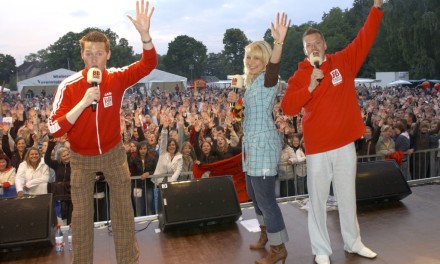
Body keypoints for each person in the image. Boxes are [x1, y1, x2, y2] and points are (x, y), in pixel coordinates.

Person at [47, 1, 157, 263]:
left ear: (108, 55)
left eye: (98, 53)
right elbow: (54, 128)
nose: (93, 58)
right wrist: (83, 102)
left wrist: (145, 35)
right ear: (82, 56)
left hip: (113, 153)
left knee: (122, 212)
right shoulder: (69, 86)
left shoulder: (116, 77)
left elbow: (147, 64)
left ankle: (128, 260)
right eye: (88, 53)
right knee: (82, 216)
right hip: (81, 159)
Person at [280, 1, 383, 263]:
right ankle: (322, 251)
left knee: (347, 197)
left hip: (345, 145)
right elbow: (288, 106)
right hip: (317, 149)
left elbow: (365, 37)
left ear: (324, 45)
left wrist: (376, 8)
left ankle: (353, 242)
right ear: (304, 51)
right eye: (308, 46)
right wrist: (310, 88)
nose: (313, 48)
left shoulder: (343, 61)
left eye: (317, 43)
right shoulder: (301, 75)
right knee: (318, 202)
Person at [228, 12, 290, 264]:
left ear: (265, 60)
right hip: (251, 147)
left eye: (256, 57)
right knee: (255, 196)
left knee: (267, 200)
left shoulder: (267, 80)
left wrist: (279, 43)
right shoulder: (249, 84)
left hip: (263, 145)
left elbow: (275, 67)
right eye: (248, 57)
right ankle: (266, 235)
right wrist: (234, 104)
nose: (251, 61)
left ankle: (279, 249)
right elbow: (239, 118)